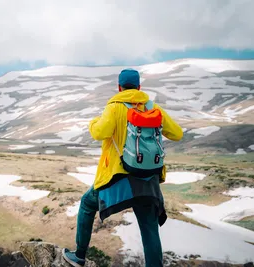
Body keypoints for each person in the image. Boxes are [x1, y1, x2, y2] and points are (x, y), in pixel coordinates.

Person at [62, 69, 183, 267]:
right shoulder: (153, 107)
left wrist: (92, 122)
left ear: (119, 87)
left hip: (118, 178)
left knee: (87, 204)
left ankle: (79, 255)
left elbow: (100, 132)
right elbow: (177, 134)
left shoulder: (115, 107)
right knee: (149, 229)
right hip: (147, 180)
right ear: (139, 87)